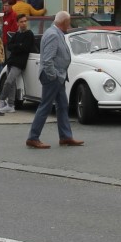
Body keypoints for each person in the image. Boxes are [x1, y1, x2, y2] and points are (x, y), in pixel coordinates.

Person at [27, 11, 82, 149]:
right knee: (45, 106)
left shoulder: (56, 32)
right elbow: (47, 60)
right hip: (53, 76)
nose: (69, 25)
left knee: (63, 105)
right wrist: (54, 76)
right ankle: (33, 137)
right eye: (68, 22)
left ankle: (65, 137)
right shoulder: (53, 34)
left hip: (58, 76)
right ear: (63, 22)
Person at [0, 14, 36, 114]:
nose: (24, 23)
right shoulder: (17, 34)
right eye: (21, 21)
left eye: (25, 21)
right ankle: (11, 105)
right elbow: (10, 46)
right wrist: (18, 45)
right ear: (18, 23)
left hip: (19, 63)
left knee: (8, 81)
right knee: (12, 83)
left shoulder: (29, 34)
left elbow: (25, 48)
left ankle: (2, 100)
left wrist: (17, 46)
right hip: (11, 61)